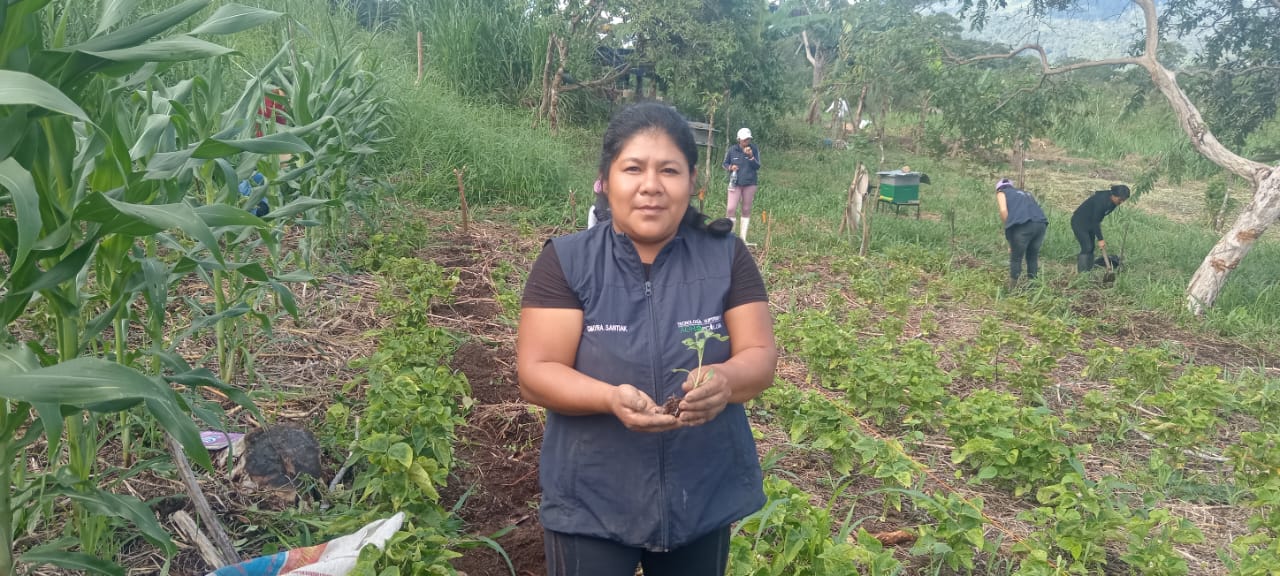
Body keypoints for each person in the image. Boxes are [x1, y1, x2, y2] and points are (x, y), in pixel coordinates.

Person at [517, 102, 777, 576]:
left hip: (700, 493)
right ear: (605, 179)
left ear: (694, 182)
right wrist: (609, 397)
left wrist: (723, 379)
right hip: (590, 499)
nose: (651, 186)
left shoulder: (726, 256)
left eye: (669, 170)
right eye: (633, 168)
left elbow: (759, 356)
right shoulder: (567, 261)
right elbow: (537, 374)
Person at [994, 178, 1049, 288]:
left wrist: (1007, 225)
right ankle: (1033, 287)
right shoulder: (1026, 193)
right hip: (1041, 224)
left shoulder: (1001, 193)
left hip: (1024, 226)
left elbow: (1003, 211)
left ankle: (1012, 289)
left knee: (1016, 258)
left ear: (998, 189)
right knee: (1032, 257)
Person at [1070, 184, 1130, 272]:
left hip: (1090, 223)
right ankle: (1082, 273)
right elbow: (1096, 221)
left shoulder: (1113, 203)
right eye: (1120, 199)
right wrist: (1100, 239)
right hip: (1079, 222)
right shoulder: (1101, 201)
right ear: (1114, 195)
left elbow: (1097, 219)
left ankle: (1088, 270)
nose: (1121, 202)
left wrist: (1098, 234)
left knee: (1091, 248)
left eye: (1123, 200)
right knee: (1087, 247)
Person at [722, 127, 761, 244]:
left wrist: (750, 157)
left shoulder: (753, 149)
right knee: (731, 208)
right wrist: (730, 167)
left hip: (750, 182)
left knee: (746, 208)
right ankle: (730, 236)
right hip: (735, 182)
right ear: (739, 139)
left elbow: (757, 166)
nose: (746, 142)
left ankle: (743, 238)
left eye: (748, 139)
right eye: (744, 140)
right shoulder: (732, 150)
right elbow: (725, 163)